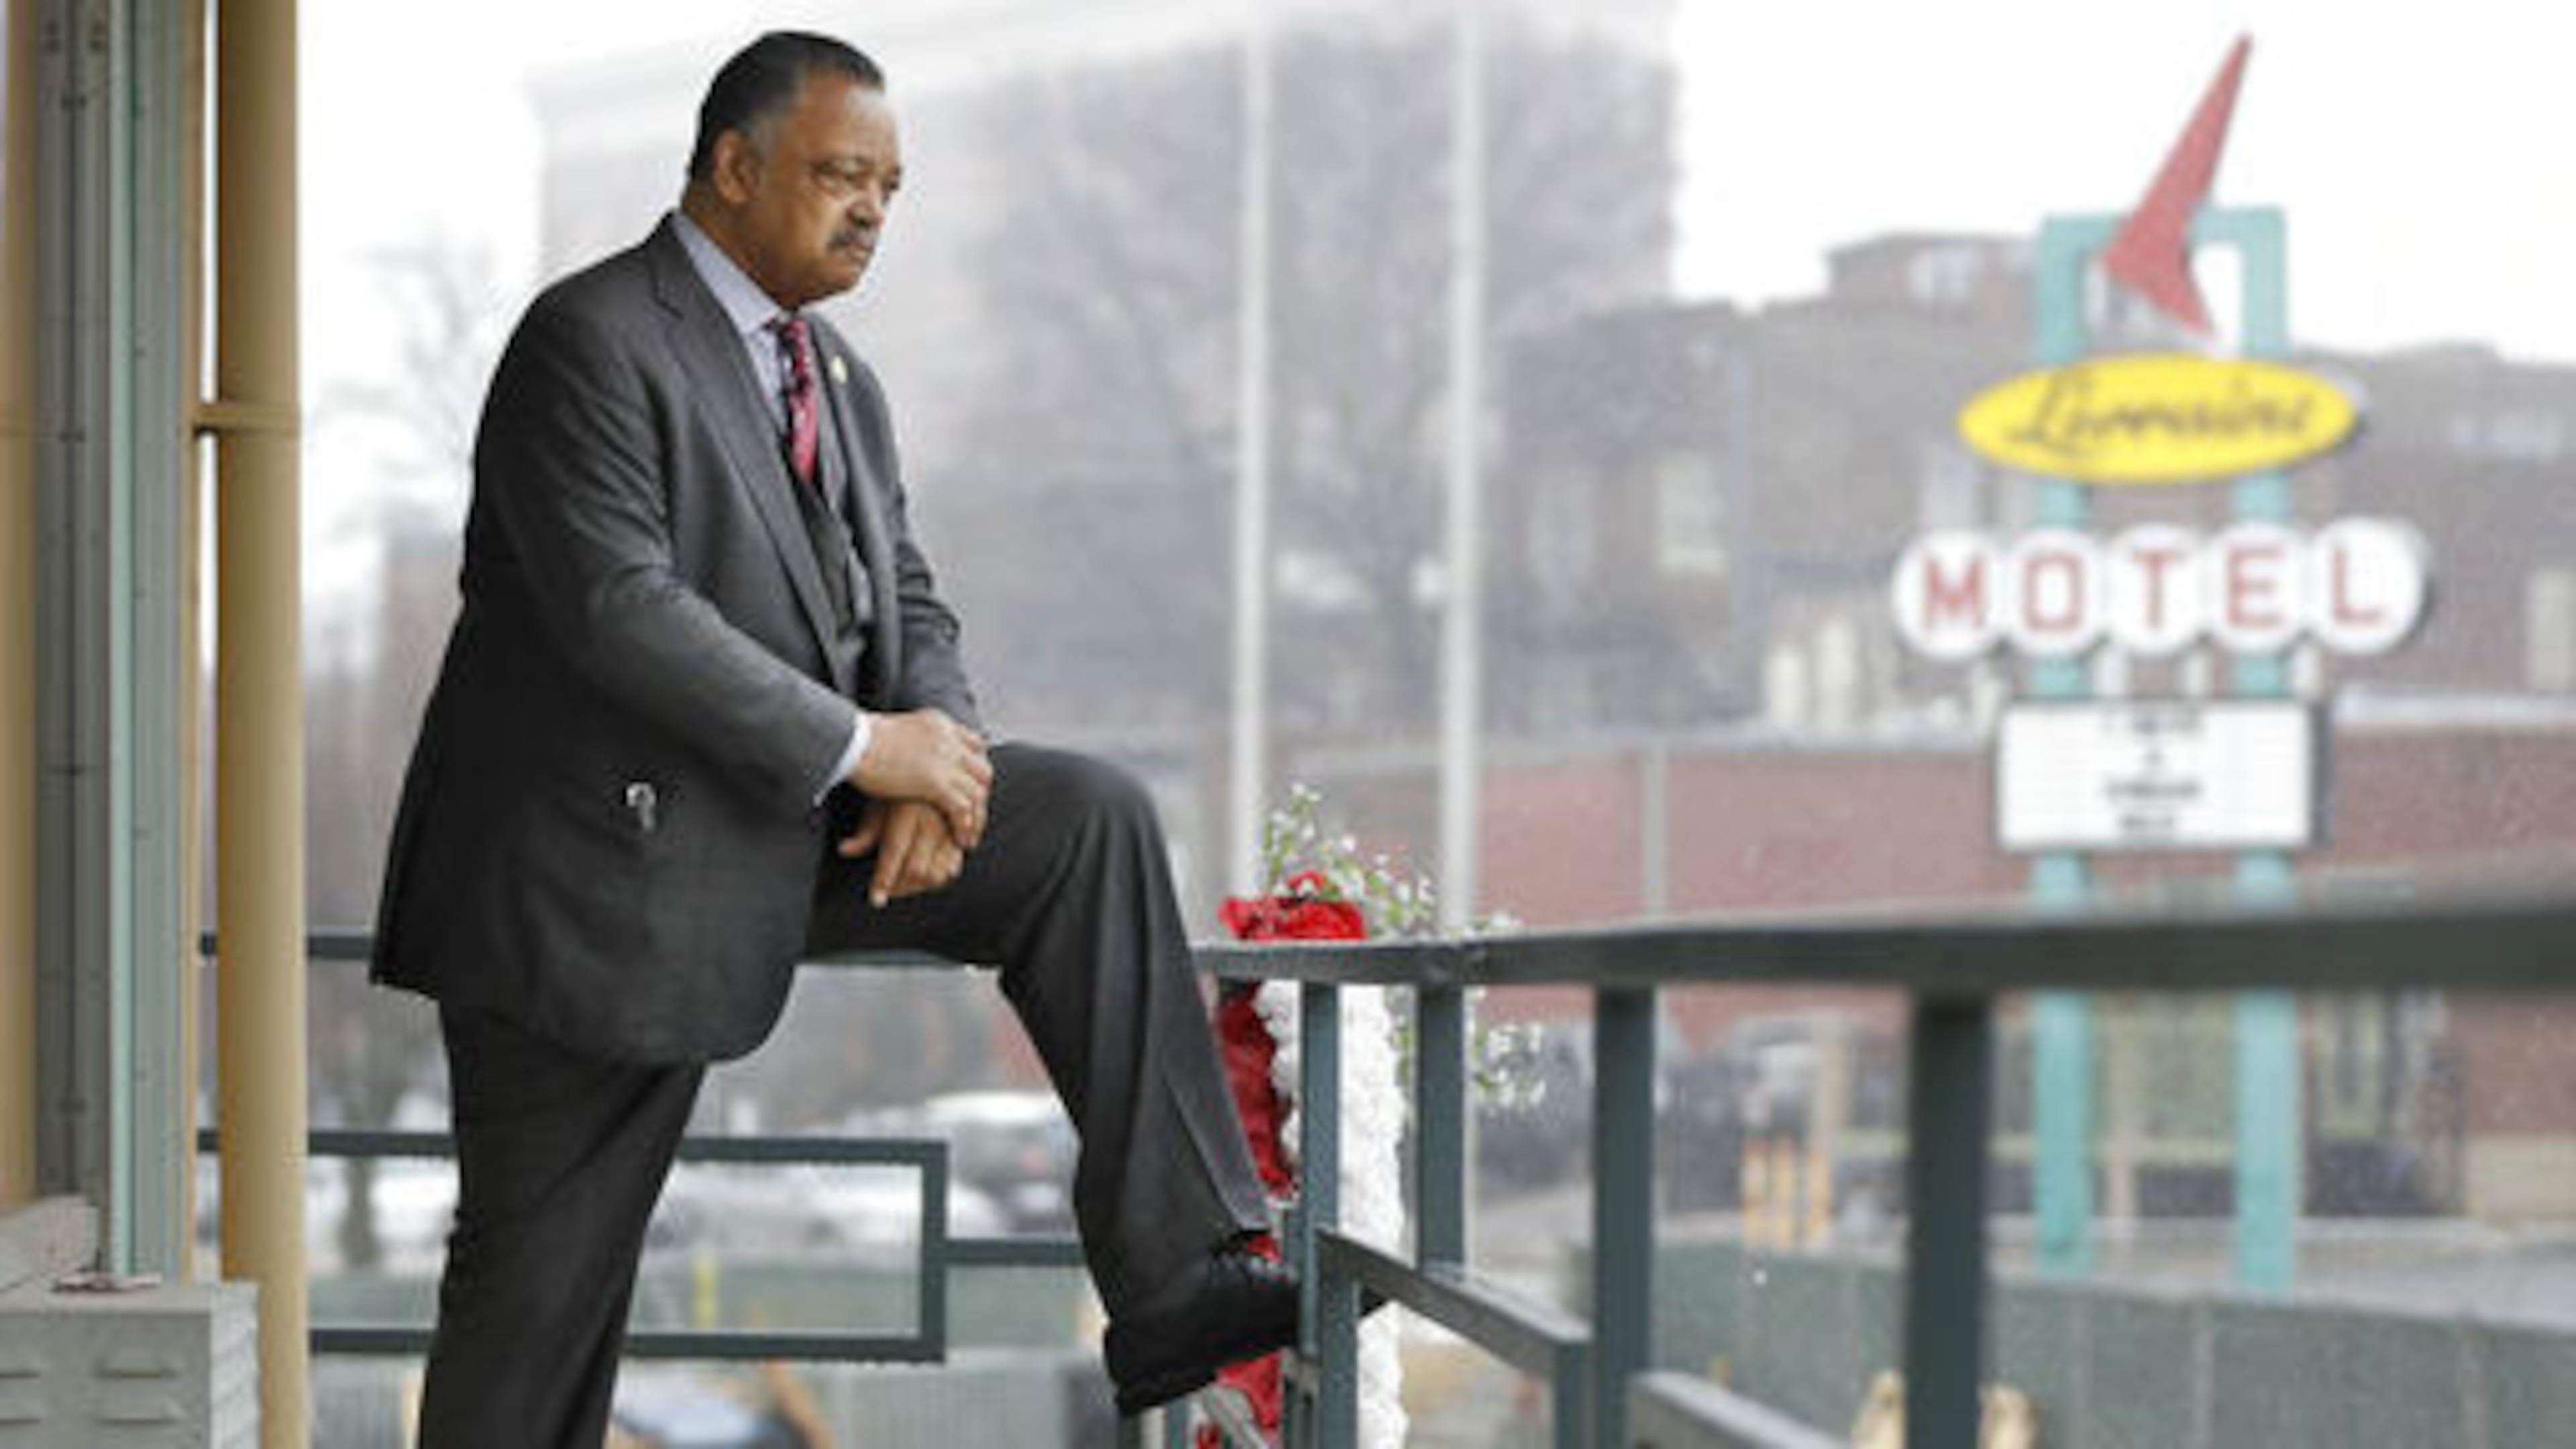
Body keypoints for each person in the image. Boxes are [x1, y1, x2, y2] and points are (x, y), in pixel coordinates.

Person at [372, 32, 1305, 1444]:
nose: (872, 209)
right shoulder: (590, 339)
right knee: (537, 1309)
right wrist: (871, 753)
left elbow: (907, 593)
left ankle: (1182, 1276)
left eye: (892, 185)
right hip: (582, 886)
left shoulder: (843, 377)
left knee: (1090, 823)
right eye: (840, 174)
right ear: (735, 169)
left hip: (772, 824)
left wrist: (946, 758)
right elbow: (622, 613)